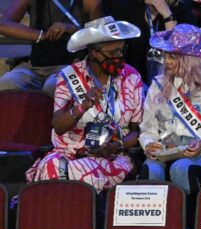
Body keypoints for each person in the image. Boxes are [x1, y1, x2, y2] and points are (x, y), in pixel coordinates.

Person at [25, 16, 144, 192]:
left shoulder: (132, 77)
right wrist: (82, 106)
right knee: (49, 167)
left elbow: (137, 132)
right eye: (113, 53)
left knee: (83, 174)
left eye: (122, 50)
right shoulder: (69, 75)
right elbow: (58, 126)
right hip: (69, 153)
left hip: (112, 156)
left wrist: (117, 146)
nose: (119, 57)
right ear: (95, 53)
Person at [138, 23, 201, 195]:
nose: (166, 61)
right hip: (166, 149)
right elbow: (147, 128)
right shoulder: (158, 84)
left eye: (174, 57)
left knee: (181, 168)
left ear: (192, 59)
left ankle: (188, 219)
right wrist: (148, 144)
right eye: (166, 55)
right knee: (151, 170)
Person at [0, 0, 103, 94]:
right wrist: (42, 35)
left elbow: (103, 35)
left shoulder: (90, 2)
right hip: (36, 67)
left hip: (71, 65)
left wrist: (75, 30)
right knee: (8, 82)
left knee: (53, 85)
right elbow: (3, 24)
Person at [107, 0, 196, 82]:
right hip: (131, 81)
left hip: (170, 82)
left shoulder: (184, 13)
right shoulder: (125, 7)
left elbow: (180, 57)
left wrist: (167, 15)